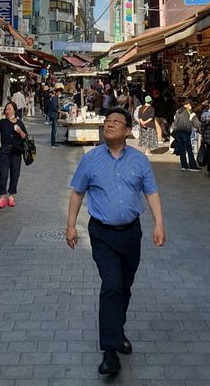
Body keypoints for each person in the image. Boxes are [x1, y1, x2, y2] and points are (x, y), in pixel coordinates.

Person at [66, 106, 166, 376]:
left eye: (115, 121)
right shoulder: (91, 159)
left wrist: (159, 223)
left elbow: (152, 192)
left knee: (124, 286)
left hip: (131, 233)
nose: (109, 124)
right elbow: (77, 193)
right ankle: (110, 352)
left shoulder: (139, 160)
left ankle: (117, 330)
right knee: (111, 285)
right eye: (107, 121)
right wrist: (70, 226)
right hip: (102, 233)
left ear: (127, 130)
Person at [0, 101, 28, 209]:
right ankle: (1, 197)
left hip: (16, 152)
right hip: (4, 151)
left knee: (15, 174)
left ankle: (11, 195)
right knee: (3, 174)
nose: (7, 111)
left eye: (9, 109)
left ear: (14, 110)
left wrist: (20, 132)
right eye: (6, 109)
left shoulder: (19, 123)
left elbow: (25, 137)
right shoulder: (3, 122)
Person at [173, 99, 199, 171]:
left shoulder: (178, 111)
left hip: (178, 133)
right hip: (186, 132)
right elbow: (197, 123)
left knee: (182, 150)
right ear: (188, 104)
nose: (191, 107)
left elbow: (175, 123)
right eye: (191, 106)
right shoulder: (190, 112)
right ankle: (192, 166)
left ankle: (184, 166)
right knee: (189, 149)